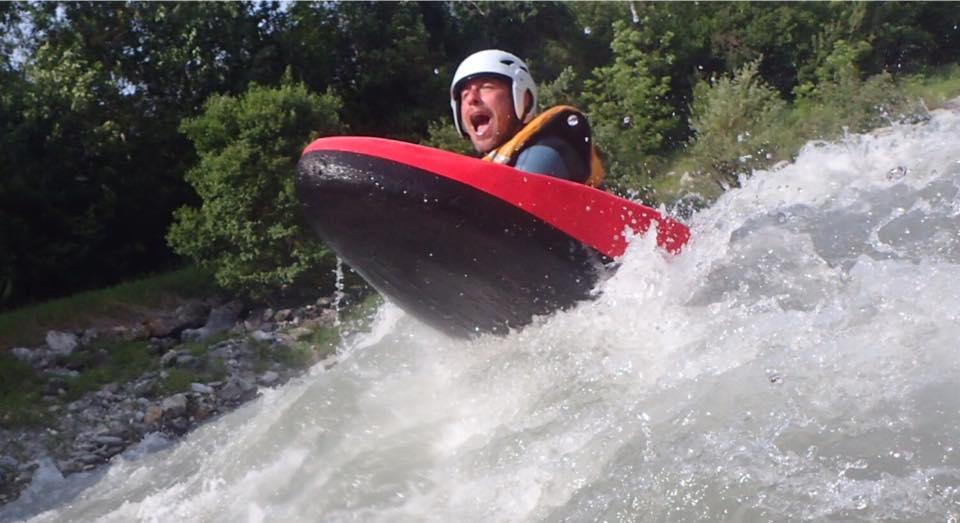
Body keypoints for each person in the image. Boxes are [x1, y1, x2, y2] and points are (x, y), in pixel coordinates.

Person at [450, 49, 605, 187]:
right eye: (464, 95)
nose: (471, 99)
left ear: (524, 98)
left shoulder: (543, 153)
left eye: (486, 87)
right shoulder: (497, 166)